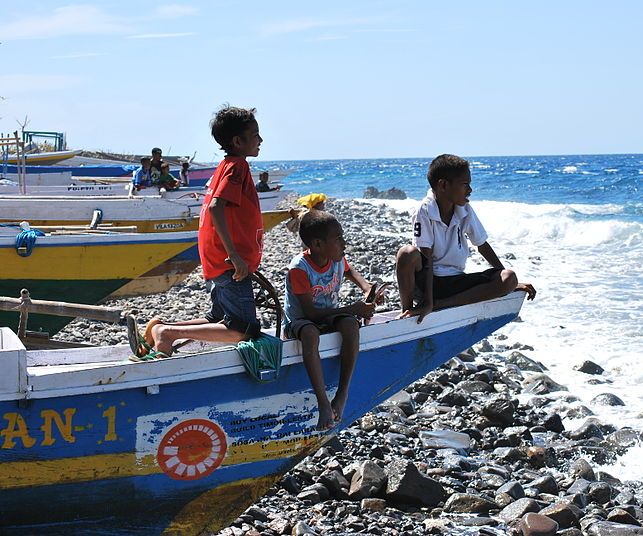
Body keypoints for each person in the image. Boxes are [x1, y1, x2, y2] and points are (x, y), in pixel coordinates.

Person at [131, 106, 265, 361]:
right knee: (243, 329)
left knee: (217, 318)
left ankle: (161, 328)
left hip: (216, 258)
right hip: (229, 263)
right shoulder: (238, 166)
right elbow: (216, 207)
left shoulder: (225, 165)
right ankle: (167, 333)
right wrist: (235, 255)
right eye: (255, 134)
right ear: (238, 141)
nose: (260, 140)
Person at [395, 154, 536, 323]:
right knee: (407, 253)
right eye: (465, 185)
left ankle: (442, 304)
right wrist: (428, 301)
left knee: (509, 277)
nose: (470, 190)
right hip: (428, 282)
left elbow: (482, 245)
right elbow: (427, 258)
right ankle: (408, 312)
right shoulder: (424, 210)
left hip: (455, 282)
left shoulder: (465, 209)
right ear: (444, 185)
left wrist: (510, 284)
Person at [283, 210, 379, 430]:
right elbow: (310, 314)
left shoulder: (336, 258)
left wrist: (366, 288)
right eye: (338, 239)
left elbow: (349, 270)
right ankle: (323, 403)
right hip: (301, 321)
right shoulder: (299, 268)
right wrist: (353, 308)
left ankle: (342, 392)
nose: (344, 243)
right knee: (310, 334)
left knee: (350, 324)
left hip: (329, 316)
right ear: (317, 245)